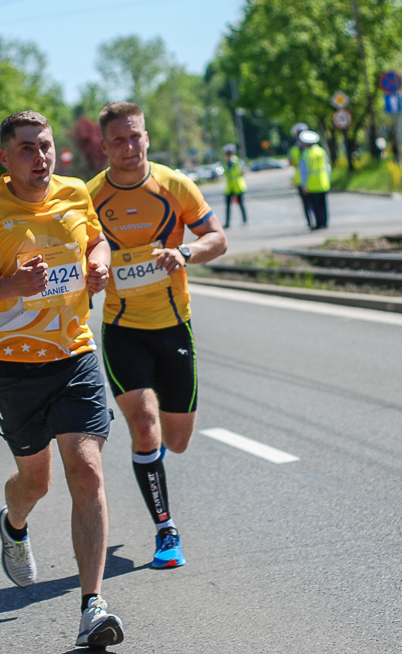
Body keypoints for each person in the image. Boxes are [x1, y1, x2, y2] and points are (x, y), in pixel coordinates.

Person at [0, 110, 125, 649]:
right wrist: (11, 285)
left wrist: (100, 263)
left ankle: (93, 605)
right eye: (26, 149)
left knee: (86, 471)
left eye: (45, 147)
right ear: (4, 157)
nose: (40, 158)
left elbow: (96, 241)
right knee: (35, 483)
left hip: (74, 354)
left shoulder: (73, 194)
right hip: (14, 366)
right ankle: (14, 524)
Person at [87, 101, 228, 570]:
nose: (130, 147)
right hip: (122, 331)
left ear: (147, 136)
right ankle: (165, 529)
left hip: (174, 326)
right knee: (144, 428)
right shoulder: (88, 198)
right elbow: (74, 254)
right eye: (119, 140)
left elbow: (218, 238)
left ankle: (155, 456)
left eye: (137, 136)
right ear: (105, 147)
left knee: (178, 438)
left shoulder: (173, 185)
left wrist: (186, 250)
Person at [298, 130, 332, 230]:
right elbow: (328, 167)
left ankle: (318, 224)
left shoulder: (306, 154)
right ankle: (324, 223)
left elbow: (304, 172)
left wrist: (304, 185)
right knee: (323, 204)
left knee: (315, 206)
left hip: (312, 184)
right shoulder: (321, 151)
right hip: (323, 181)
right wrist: (329, 179)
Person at [289, 123, 314, 229]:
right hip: (300, 180)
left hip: (313, 180)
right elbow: (291, 162)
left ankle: (316, 222)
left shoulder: (311, 148)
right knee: (305, 204)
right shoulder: (295, 150)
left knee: (314, 203)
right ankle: (309, 222)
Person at [222, 144, 248, 227]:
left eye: (230, 153)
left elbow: (243, 171)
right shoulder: (226, 163)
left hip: (238, 186)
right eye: (227, 154)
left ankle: (244, 220)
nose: (229, 155)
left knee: (241, 204)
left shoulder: (237, 162)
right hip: (229, 188)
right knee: (228, 206)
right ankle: (227, 223)